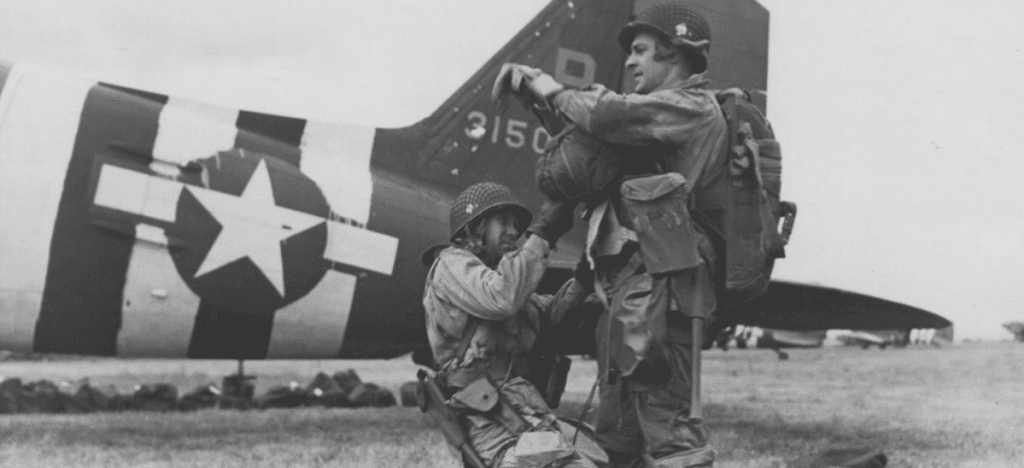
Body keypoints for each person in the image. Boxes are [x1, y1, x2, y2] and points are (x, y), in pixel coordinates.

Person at [500, 2, 726, 467]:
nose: (629, 61)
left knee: (669, 429)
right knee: (618, 432)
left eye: (642, 50)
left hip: (667, 288)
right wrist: (540, 99)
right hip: (633, 292)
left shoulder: (692, 108)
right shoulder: (653, 125)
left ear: (677, 53)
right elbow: (594, 150)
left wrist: (552, 87)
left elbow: (607, 118)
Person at [422, 181, 605, 468]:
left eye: (516, 225)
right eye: (503, 222)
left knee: (599, 459)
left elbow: (549, 321)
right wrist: (543, 233)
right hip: (489, 422)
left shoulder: (504, 277)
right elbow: (500, 299)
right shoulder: (451, 265)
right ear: (475, 227)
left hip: (525, 412)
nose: (513, 231)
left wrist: (584, 278)